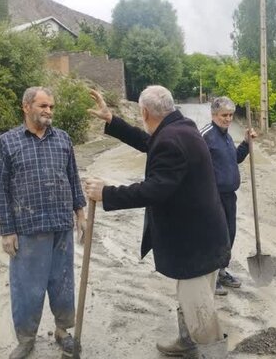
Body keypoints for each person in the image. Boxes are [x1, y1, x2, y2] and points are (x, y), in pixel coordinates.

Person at [84, 86, 230, 358]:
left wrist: (107, 193)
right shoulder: (181, 128)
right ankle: (187, 344)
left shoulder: (171, 140)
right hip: (205, 235)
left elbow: (154, 189)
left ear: (145, 112)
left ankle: (213, 352)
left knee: (199, 309)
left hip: (194, 243)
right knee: (192, 299)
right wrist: (111, 120)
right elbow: (152, 143)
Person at [0, 87, 86, 359]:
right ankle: (25, 338)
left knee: (62, 282)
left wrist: (80, 214)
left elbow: (73, 177)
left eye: (51, 107)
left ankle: (62, 331)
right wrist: (7, 230)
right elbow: (1, 189)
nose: (48, 111)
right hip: (28, 227)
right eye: (43, 106)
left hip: (60, 225)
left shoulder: (63, 139)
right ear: (26, 107)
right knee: (27, 288)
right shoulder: (8, 142)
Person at [200, 96, 257, 296]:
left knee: (228, 234)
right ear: (214, 115)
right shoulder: (205, 136)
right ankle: (210, 276)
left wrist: (246, 143)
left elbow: (235, 159)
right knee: (213, 236)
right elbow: (194, 165)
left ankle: (221, 271)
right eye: (224, 115)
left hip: (228, 196)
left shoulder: (226, 135)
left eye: (231, 115)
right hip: (212, 197)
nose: (228, 119)